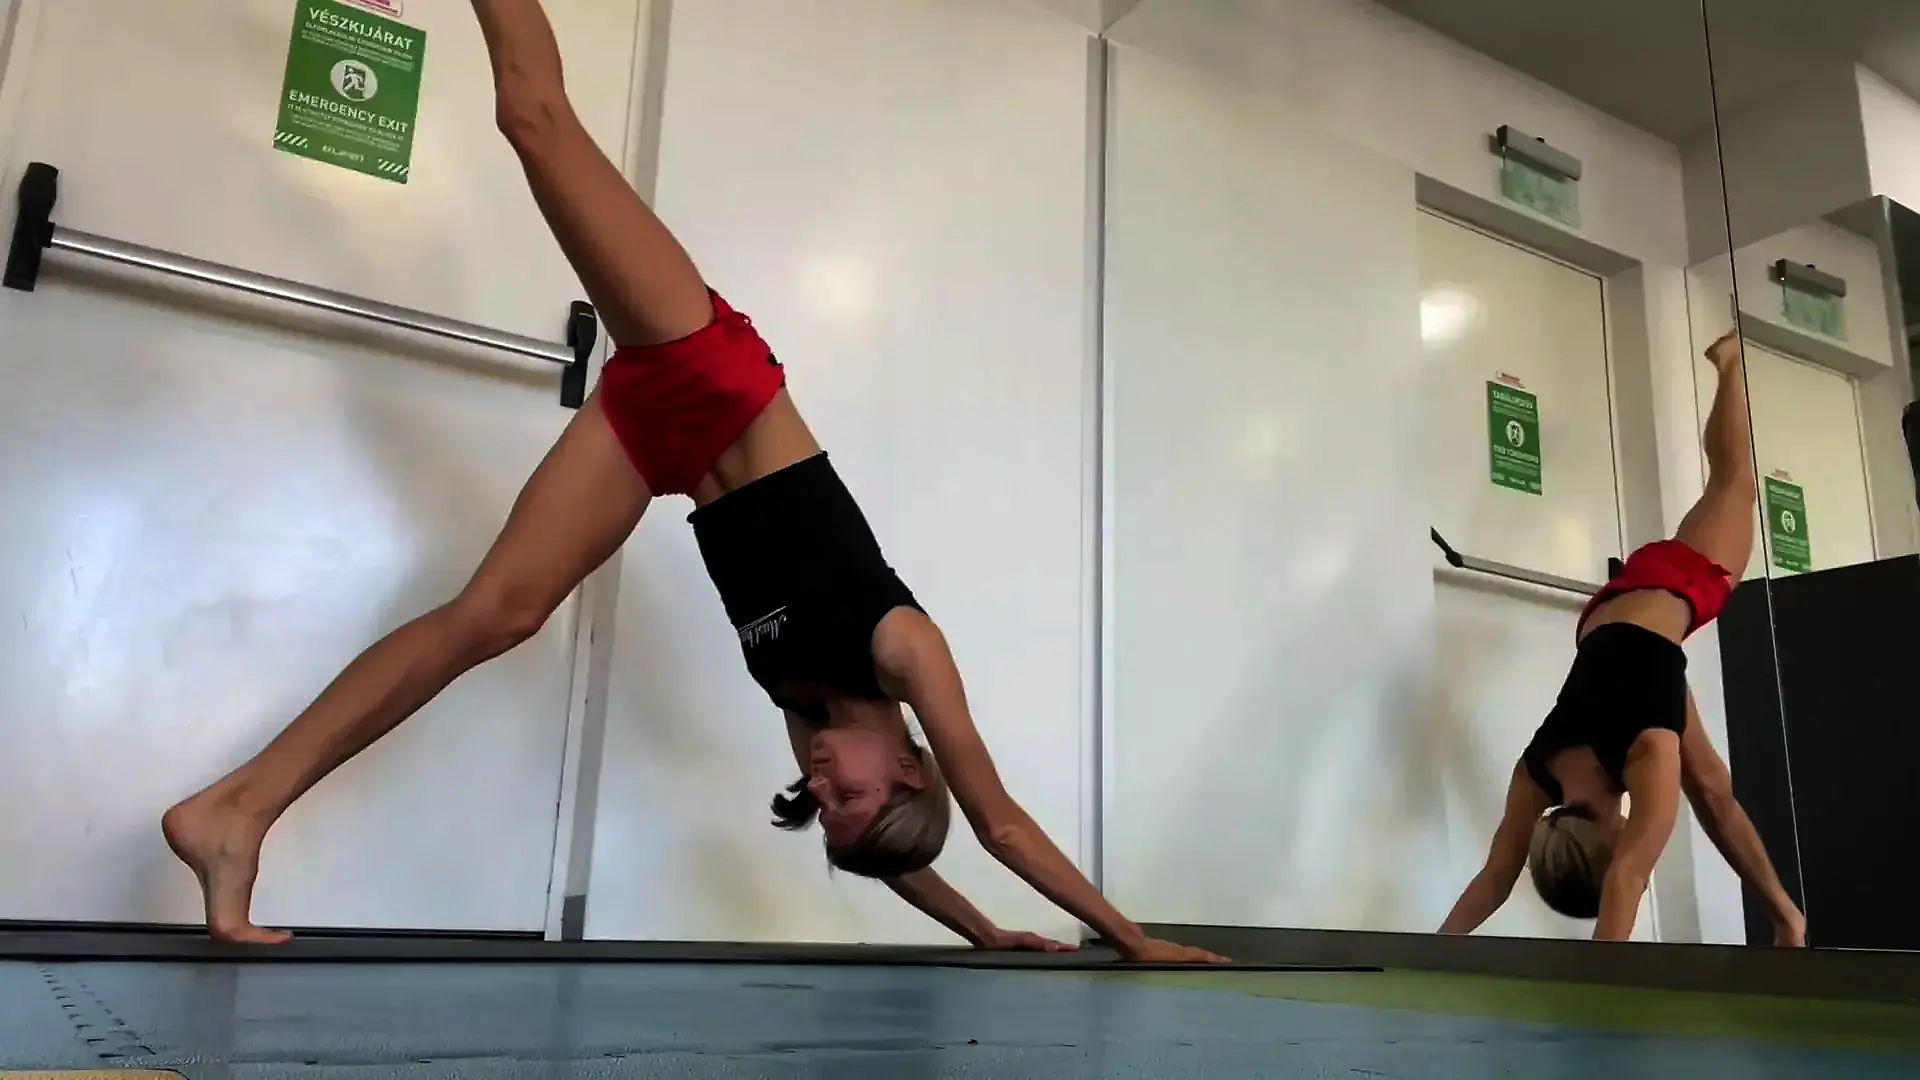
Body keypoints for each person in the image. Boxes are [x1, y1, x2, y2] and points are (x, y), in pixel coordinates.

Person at [161, 0, 1224, 965]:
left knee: (498, 616)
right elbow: (997, 822)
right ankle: (243, 811)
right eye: (849, 792)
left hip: (659, 448)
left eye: (824, 807)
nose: (820, 785)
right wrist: (1131, 941)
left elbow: (891, 851)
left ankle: (233, 813)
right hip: (711, 371)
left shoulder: (812, 715)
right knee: (533, 117)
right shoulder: (904, 650)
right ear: (910, 768)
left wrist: (983, 932)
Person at [1438, 329, 1807, 946]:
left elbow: (1629, 876)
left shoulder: (1646, 756)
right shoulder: (1538, 772)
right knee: (1712, 785)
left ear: (1608, 842)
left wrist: (1601, 985)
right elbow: (1496, 876)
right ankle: (1787, 916)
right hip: (1608, 623)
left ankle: (1730, 364)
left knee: (1735, 482)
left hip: (1671, 598)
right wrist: (1434, 953)